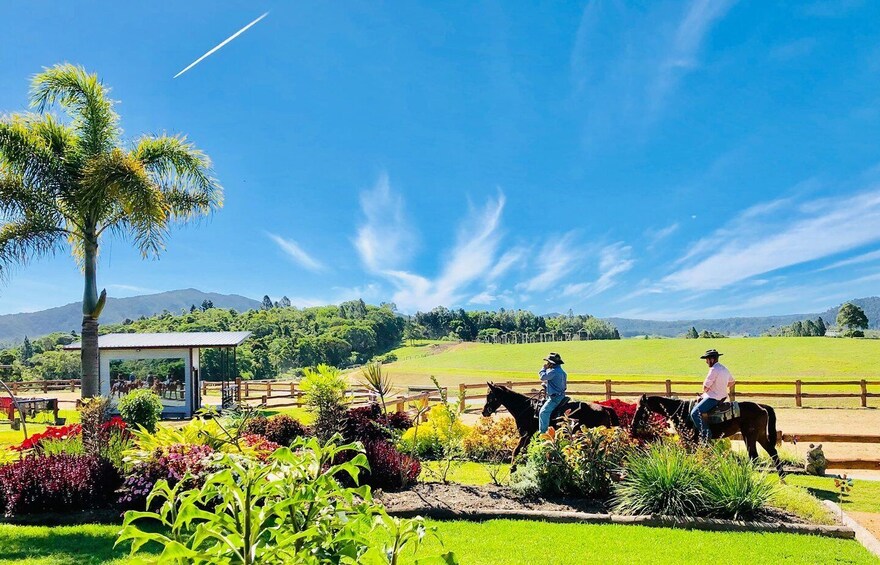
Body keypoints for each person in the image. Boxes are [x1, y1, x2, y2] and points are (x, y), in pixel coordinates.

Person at [690, 349, 735, 442]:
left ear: (712, 359)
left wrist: (707, 390)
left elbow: (705, 387)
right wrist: (721, 386)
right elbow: (732, 382)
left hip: (713, 397)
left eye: (707, 359)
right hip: (722, 397)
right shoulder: (724, 369)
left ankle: (705, 434)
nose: (706, 362)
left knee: (694, 412)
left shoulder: (713, 369)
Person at [538, 352, 567, 433]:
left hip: (554, 398)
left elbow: (542, 377)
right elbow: (558, 386)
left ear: (551, 363)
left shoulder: (553, 372)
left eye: (548, 362)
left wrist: (543, 369)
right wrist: (546, 386)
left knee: (543, 412)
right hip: (561, 395)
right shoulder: (562, 372)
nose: (547, 364)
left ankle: (543, 433)